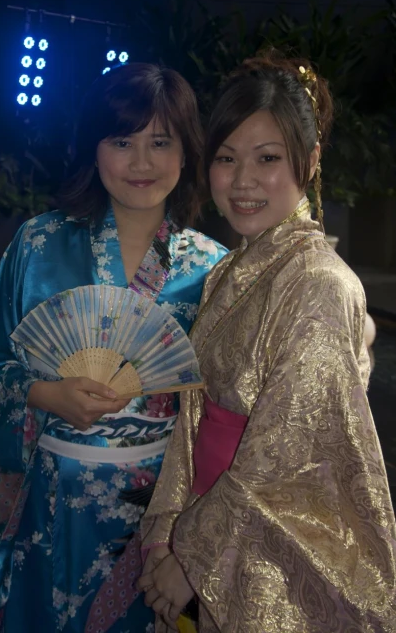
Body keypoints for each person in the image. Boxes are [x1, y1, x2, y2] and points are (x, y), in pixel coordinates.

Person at [0, 63, 227, 632]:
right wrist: (43, 393)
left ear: (187, 152)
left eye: (161, 142)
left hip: (157, 517)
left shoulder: (213, 269)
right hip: (52, 507)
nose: (142, 162)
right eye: (122, 141)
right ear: (93, 148)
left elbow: (227, 412)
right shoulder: (38, 243)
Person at [139, 53, 396, 632]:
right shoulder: (229, 271)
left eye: (268, 159)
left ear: (310, 162)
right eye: (227, 159)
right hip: (209, 518)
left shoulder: (319, 283)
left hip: (264, 545)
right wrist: (166, 532)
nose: (243, 180)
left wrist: (192, 557)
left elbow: (284, 452)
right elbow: (192, 414)